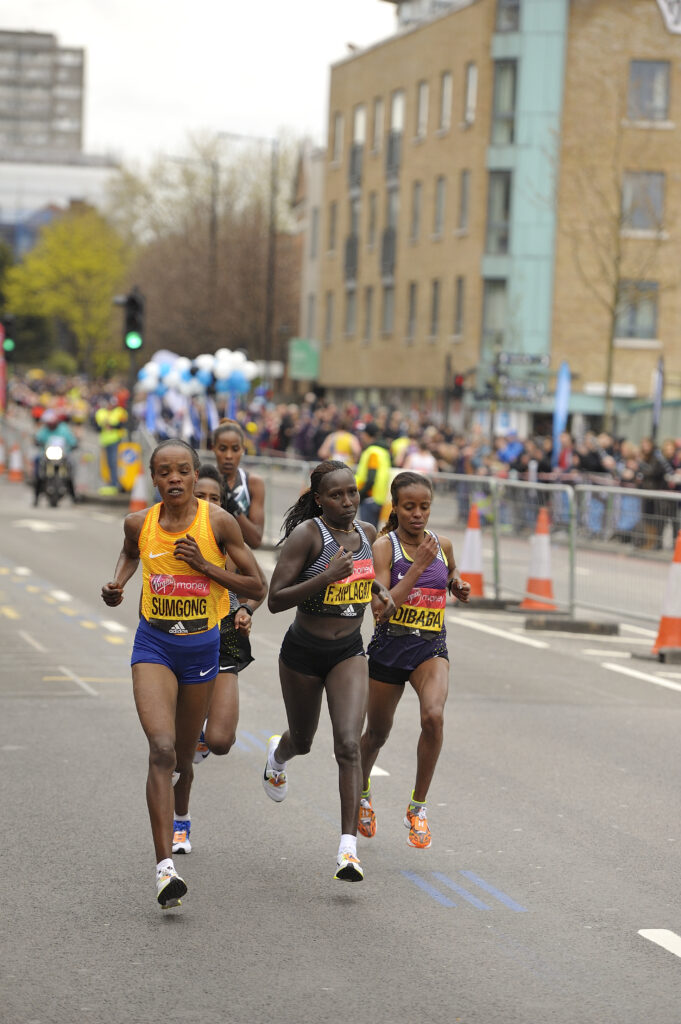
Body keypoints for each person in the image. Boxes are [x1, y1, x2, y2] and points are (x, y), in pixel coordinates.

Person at [101, 439, 266, 909]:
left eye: (183, 471)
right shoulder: (140, 522)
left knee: (185, 759)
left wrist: (204, 566)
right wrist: (119, 584)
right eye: (164, 472)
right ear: (154, 479)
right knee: (162, 749)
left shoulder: (217, 522)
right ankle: (164, 870)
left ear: (196, 477)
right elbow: (130, 553)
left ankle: (182, 813)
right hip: (154, 642)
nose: (174, 478)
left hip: (202, 646)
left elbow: (258, 585)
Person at [263, 460, 395, 882]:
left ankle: (347, 850)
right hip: (303, 652)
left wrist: (380, 591)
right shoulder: (308, 536)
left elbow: (367, 573)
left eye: (352, 493)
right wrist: (326, 577)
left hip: (348, 651)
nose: (348, 502)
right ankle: (277, 758)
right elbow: (276, 599)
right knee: (302, 741)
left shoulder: (368, 534)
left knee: (348, 746)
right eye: (336, 495)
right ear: (319, 500)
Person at [358, 471, 471, 850]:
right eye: (409, 507)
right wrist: (419, 567)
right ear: (396, 507)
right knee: (377, 734)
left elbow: (450, 569)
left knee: (433, 716)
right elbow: (381, 608)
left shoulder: (443, 544)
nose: (418, 514)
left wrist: (456, 582)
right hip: (390, 647)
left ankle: (418, 807)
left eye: (424, 507)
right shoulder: (384, 547)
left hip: (430, 647)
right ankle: (361, 792)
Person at [171, 463, 268, 856]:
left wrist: (244, 609)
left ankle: (200, 739)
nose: (208, 503)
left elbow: (258, 587)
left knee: (221, 740)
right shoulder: (176, 534)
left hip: (224, 638)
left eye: (216, 498)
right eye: (202, 497)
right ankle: (180, 823)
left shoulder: (229, 541)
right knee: (179, 752)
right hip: (181, 639)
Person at [212, 419, 265, 550]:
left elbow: (256, 540)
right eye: (223, 449)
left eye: (235, 449)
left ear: (242, 449)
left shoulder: (253, 483)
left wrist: (231, 505)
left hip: (239, 565)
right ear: (213, 448)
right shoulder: (202, 482)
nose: (229, 456)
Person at [355, 422, 392, 528]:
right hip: (379, 498)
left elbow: (371, 477)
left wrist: (361, 494)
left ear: (367, 435)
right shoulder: (383, 451)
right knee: (373, 533)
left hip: (369, 497)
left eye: (363, 434)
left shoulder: (372, 452)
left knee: (367, 534)